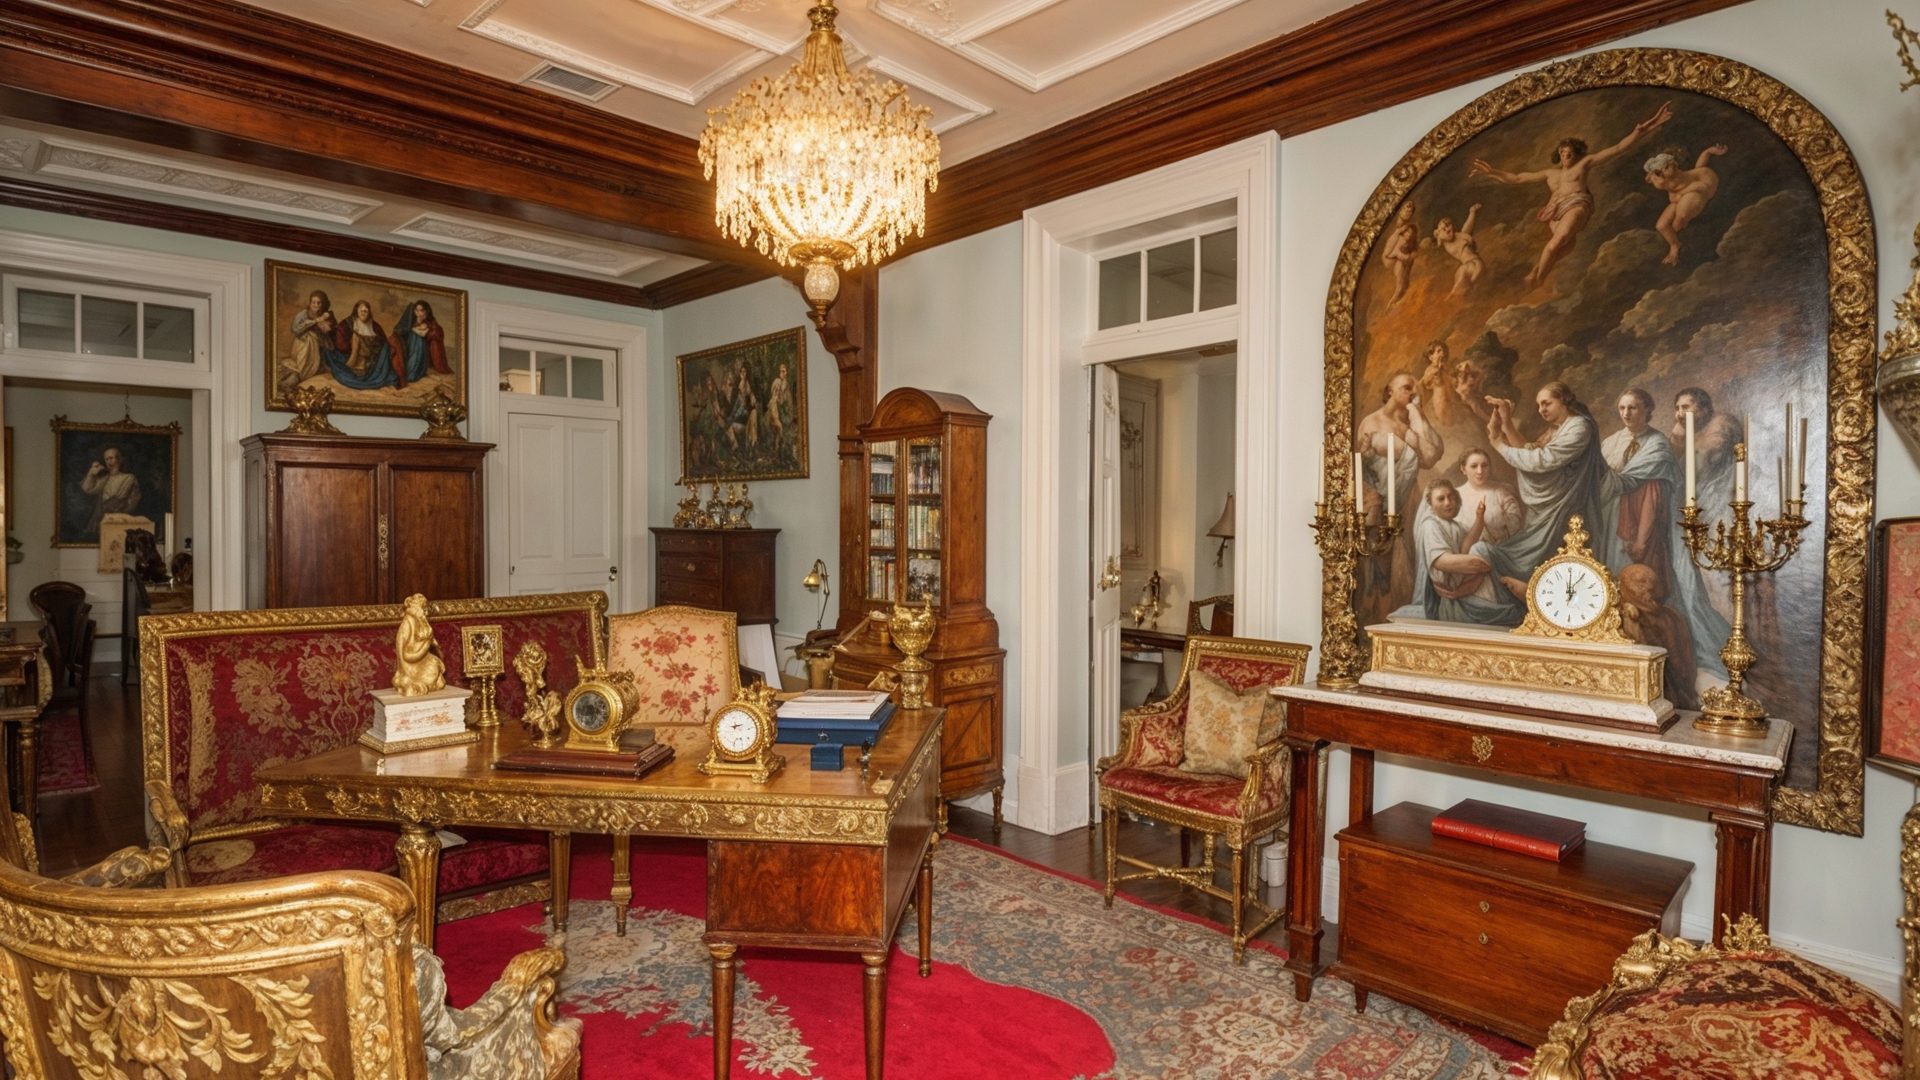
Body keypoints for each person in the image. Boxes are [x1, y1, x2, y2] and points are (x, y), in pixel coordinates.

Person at [1469, 101, 1673, 288]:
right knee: (1564, 247)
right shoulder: (1550, 173)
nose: (1566, 155)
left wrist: (1641, 131)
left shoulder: (1584, 164)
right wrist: (1492, 172)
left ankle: (1537, 280)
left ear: (1576, 153)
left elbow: (1618, 148)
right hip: (1554, 212)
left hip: (1576, 205)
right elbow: (1516, 178)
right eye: (1562, 152)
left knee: (1555, 244)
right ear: (1559, 154)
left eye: (1570, 152)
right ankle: (1535, 272)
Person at [1484, 381, 1613, 610]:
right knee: (1537, 557)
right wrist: (1505, 422)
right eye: (1538, 405)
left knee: (1550, 557)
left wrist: (1499, 445)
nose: (1541, 409)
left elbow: (1542, 461)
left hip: (1567, 504)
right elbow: (1530, 451)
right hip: (1553, 504)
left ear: (1563, 400)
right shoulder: (1559, 428)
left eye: (1546, 403)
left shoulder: (1579, 427)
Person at [1409, 478, 1510, 624]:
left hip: (1462, 590)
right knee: (1483, 550)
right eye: (1441, 499)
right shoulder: (1430, 525)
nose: (1448, 503)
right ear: (1430, 504)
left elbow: (1466, 547)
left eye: (1450, 497)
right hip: (1451, 598)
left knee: (1483, 549)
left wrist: (1479, 518)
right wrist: (1483, 561)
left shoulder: (1453, 525)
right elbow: (1442, 561)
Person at [1618, 562, 1700, 711]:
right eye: (1641, 582)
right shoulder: (1622, 616)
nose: (1649, 587)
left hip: (1671, 691)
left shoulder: (1671, 616)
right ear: (1624, 586)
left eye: (1651, 583)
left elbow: (1683, 661)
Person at [1644, 144, 1728, 265]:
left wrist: (1708, 152)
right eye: (1660, 171)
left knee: (1680, 218)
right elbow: (1653, 179)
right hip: (1682, 195)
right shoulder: (1660, 179)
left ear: (1674, 165)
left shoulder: (1682, 175)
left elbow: (1701, 186)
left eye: (1667, 166)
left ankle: (1677, 241)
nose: (1664, 171)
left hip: (1701, 186)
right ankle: (1675, 244)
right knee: (1661, 226)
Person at [1455, 447, 1526, 542]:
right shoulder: (1455, 496)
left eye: (1484, 466)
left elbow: (1516, 525)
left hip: (1506, 546)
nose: (1480, 471)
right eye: (1474, 466)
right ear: (1463, 469)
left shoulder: (1502, 490)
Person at [326, 300, 399, 390]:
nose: (363, 313)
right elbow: (340, 342)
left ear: (369, 313)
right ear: (356, 311)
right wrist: (351, 343)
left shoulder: (374, 326)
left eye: (365, 311)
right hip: (352, 356)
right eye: (361, 311)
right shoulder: (348, 322)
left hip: (371, 360)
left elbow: (383, 341)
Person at [284, 289, 341, 396]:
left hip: (322, 347)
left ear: (323, 304)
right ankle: (302, 373)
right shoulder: (304, 314)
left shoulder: (327, 315)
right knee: (310, 337)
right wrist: (314, 321)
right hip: (304, 345)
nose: (316, 305)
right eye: (313, 302)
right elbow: (295, 329)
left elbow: (330, 332)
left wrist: (325, 324)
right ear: (310, 303)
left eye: (319, 303)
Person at [392, 592, 445, 696]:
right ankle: (413, 683)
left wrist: (433, 645)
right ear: (417, 608)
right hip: (410, 663)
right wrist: (426, 644)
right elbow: (405, 654)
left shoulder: (421, 622)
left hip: (422, 659)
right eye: (423, 609)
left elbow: (430, 642)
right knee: (432, 670)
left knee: (435, 666)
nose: (426, 612)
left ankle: (431, 682)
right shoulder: (407, 623)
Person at [391, 299, 451, 388]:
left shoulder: (430, 322)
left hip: (422, 351)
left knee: (418, 338)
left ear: (427, 311)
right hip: (408, 348)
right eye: (417, 311)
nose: (419, 313)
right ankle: (409, 370)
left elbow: (435, 333)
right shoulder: (411, 320)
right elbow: (401, 331)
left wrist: (425, 332)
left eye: (421, 310)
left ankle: (414, 371)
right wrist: (415, 326)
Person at [81, 445, 141, 534]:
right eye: (107, 459)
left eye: (111, 458)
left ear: (119, 459)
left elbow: (134, 499)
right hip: (104, 518)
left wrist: (121, 514)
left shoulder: (129, 478)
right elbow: (87, 489)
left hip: (122, 518)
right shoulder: (104, 479)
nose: (109, 461)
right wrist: (91, 473)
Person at [1433, 204, 1483, 297]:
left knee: (1461, 272)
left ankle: (1451, 296)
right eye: (1444, 229)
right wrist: (1438, 233)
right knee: (1466, 286)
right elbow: (1440, 238)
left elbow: (1468, 226)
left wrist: (1472, 212)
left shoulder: (1461, 236)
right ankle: (1455, 296)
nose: (1447, 229)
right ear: (1439, 234)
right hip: (1471, 266)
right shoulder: (1446, 243)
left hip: (1475, 264)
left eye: (1448, 226)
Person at [1379, 200, 1419, 307]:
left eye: (1410, 211)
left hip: (1401, 258)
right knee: (1401, 283)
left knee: (1404, 282)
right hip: (1392, 257)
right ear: (1400, 209)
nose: (1408, 212)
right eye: (1406, 209)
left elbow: (1413, 246)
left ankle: (1396, 302)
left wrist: (1411, 254)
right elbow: (1391, 252)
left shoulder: (1409, 228)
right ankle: (1393, 302)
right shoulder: (1395, 226)